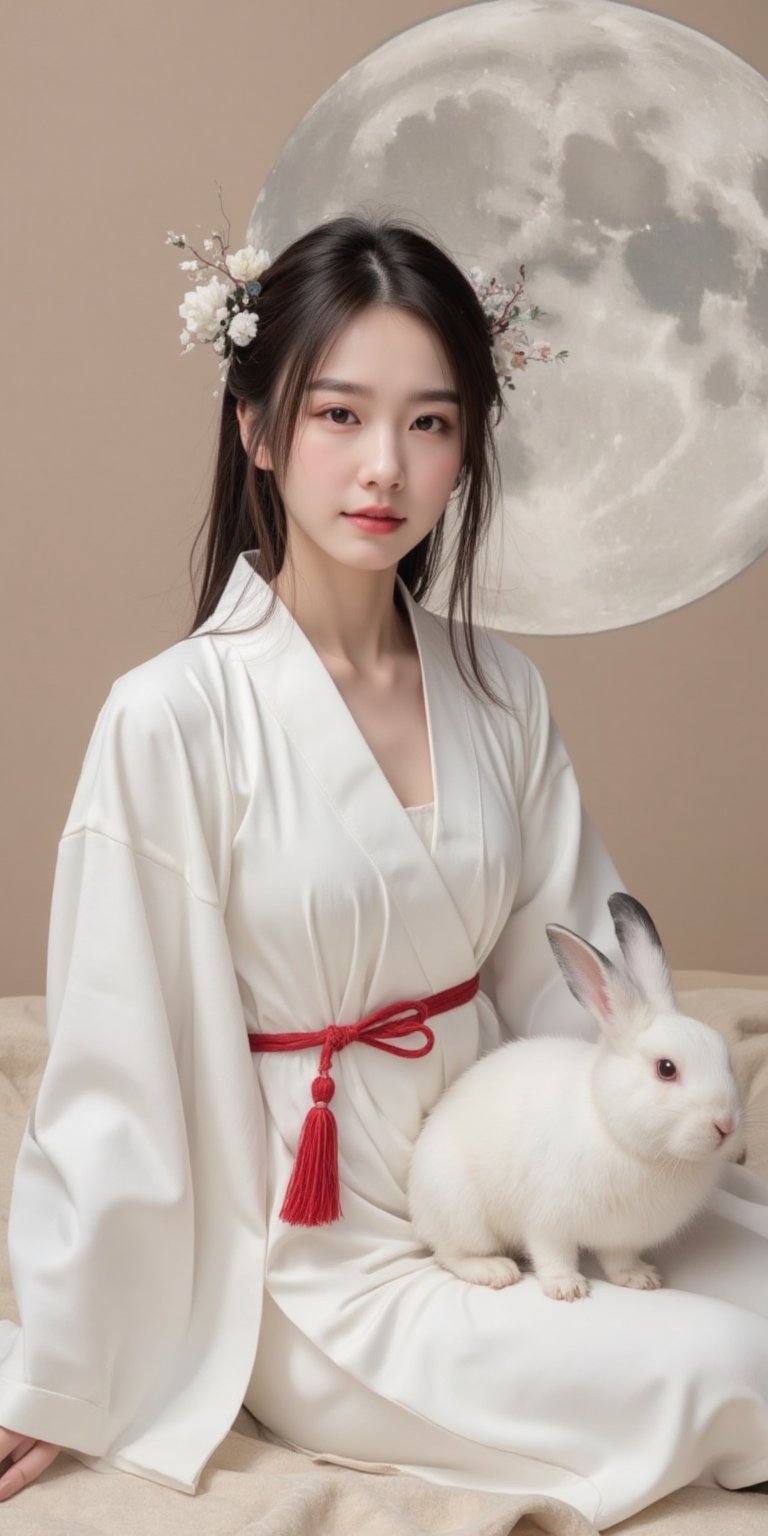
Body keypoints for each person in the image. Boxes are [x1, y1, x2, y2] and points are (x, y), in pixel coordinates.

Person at [0, 212, 766, 1527]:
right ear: (257, 428)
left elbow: (573, 986)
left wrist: (635, 1182)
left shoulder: (497, 690)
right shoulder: (172, 716)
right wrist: (54, 1371)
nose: (384, 468)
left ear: (468, 443)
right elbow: (115, 1072)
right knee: (737, 1363)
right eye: (339, 414)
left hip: (517, 1188)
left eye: (429, 423)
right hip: (324, 1256)